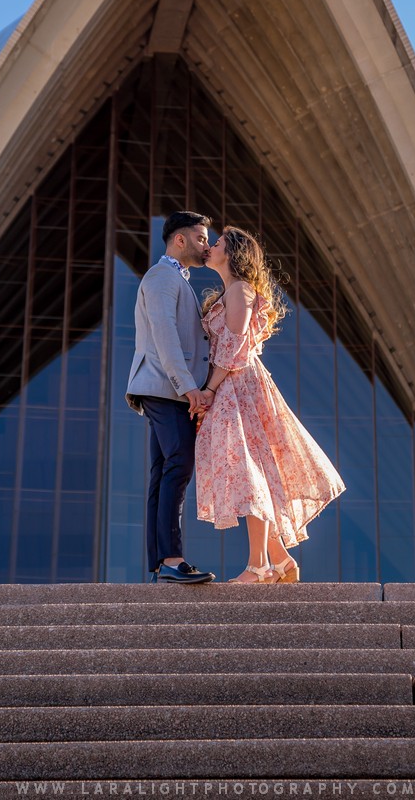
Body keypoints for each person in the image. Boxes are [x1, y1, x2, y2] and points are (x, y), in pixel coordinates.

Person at [195, 225, 346, 583]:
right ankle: (279, 560)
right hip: (233, 387)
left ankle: (259, 564)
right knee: (251, 469)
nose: (210, 247)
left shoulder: (241, 290)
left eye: (216, 243)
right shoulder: (231, 291)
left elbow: (234, 345)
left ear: (232, 253)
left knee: (249, 472)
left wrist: (210, 390)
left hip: (237, 387)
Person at [126, 211, 216, 584]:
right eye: (200, 237)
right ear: (179, 240)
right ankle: (171, 558)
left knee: (163, 472)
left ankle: (162, 561)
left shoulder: (175, 278)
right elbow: (164, 334)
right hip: (167, 389)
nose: (206, 245)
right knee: (178, 465)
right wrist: (188, 386)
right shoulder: (163, 276)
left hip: (165, 389)